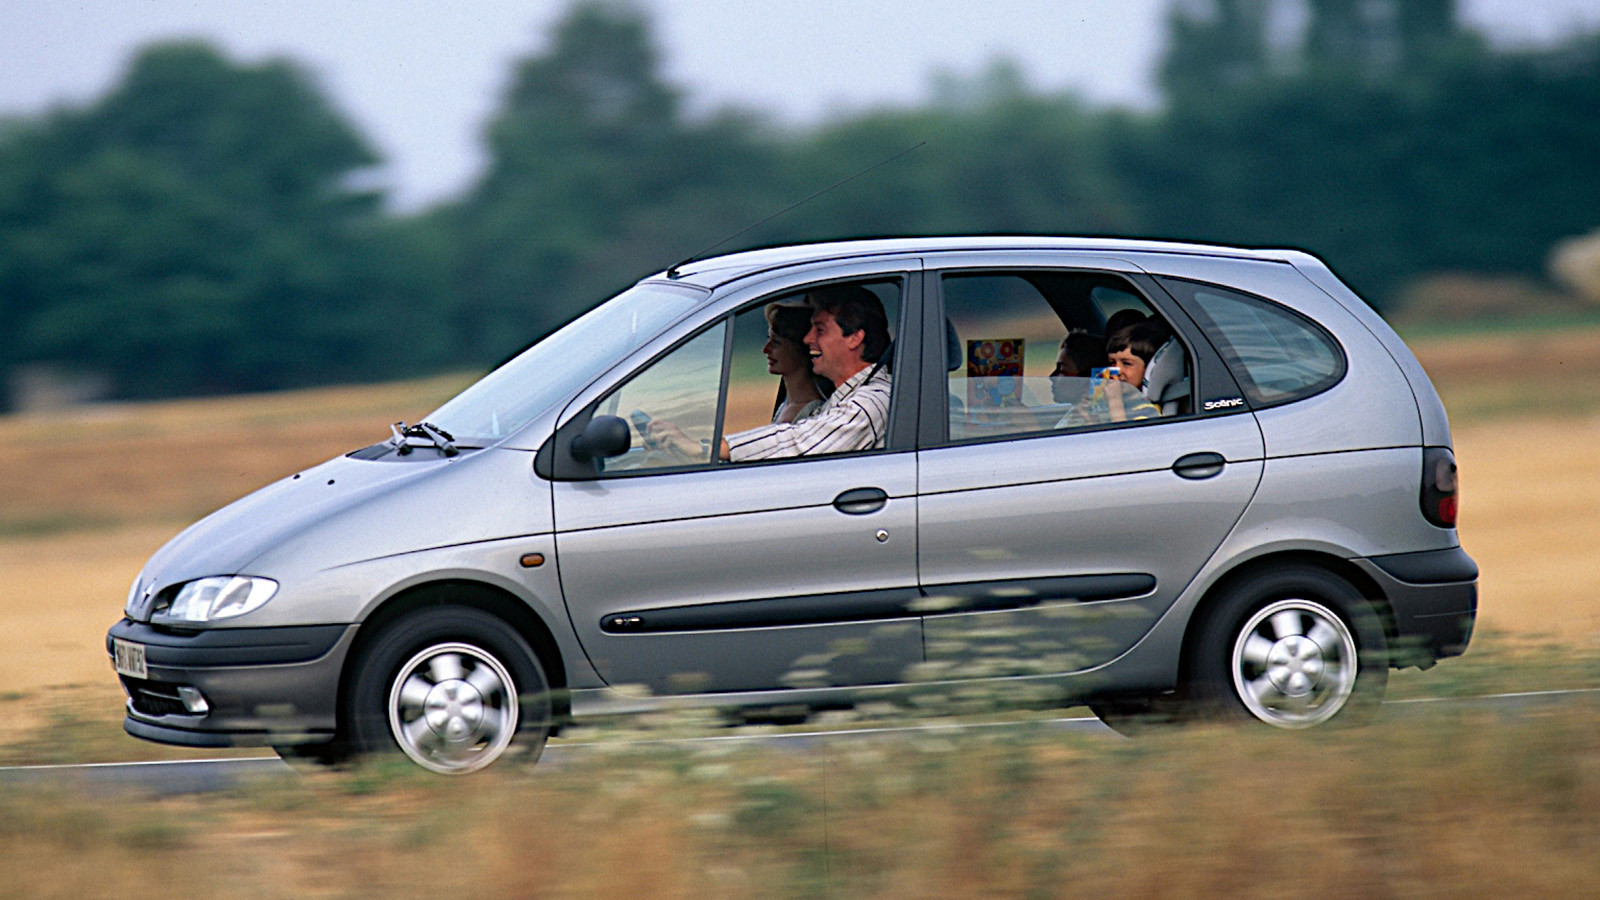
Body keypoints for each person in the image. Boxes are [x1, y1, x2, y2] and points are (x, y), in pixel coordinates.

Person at [719, 283, 892, 461]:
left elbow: (799, 443)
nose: (807, 339)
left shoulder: (869, 404)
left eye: (820, 330)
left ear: (854, 338)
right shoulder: (843, 401)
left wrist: (716, 448)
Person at [1058, 321, 1163, 427]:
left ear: (1148, 369)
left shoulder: (1148, 411)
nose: (1116, 370)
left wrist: (1115, 402)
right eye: (1112, 363)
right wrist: (1089, 418)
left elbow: (1124, 436)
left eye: (1126, 363)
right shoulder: (1112, 405)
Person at [763, 301, 830, 424]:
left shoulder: (814, 413)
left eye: (776, 342)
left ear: (800, 348)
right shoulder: (785, 406)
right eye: (769, 339)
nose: (766, 350)